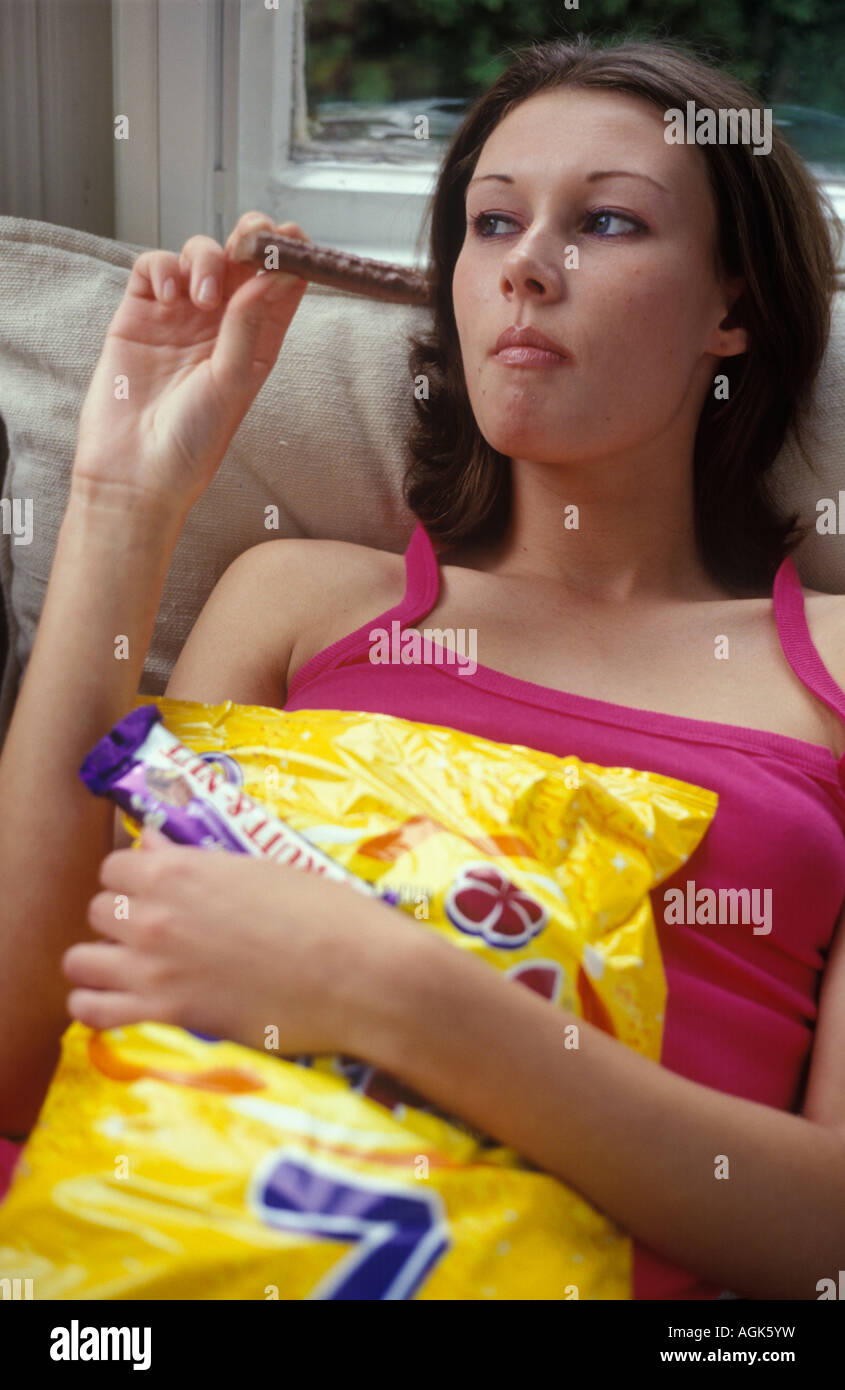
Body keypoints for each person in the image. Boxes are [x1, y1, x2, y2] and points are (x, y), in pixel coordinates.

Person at [1, 34, 844, 1301]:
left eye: (606, 223)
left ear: (732, 306)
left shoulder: (831, 670)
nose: (524, 270)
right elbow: (25, 1056)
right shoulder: (297, 603)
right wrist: (124, 497)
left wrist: (390, 990)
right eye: (490, 223)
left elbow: (824, 1234)